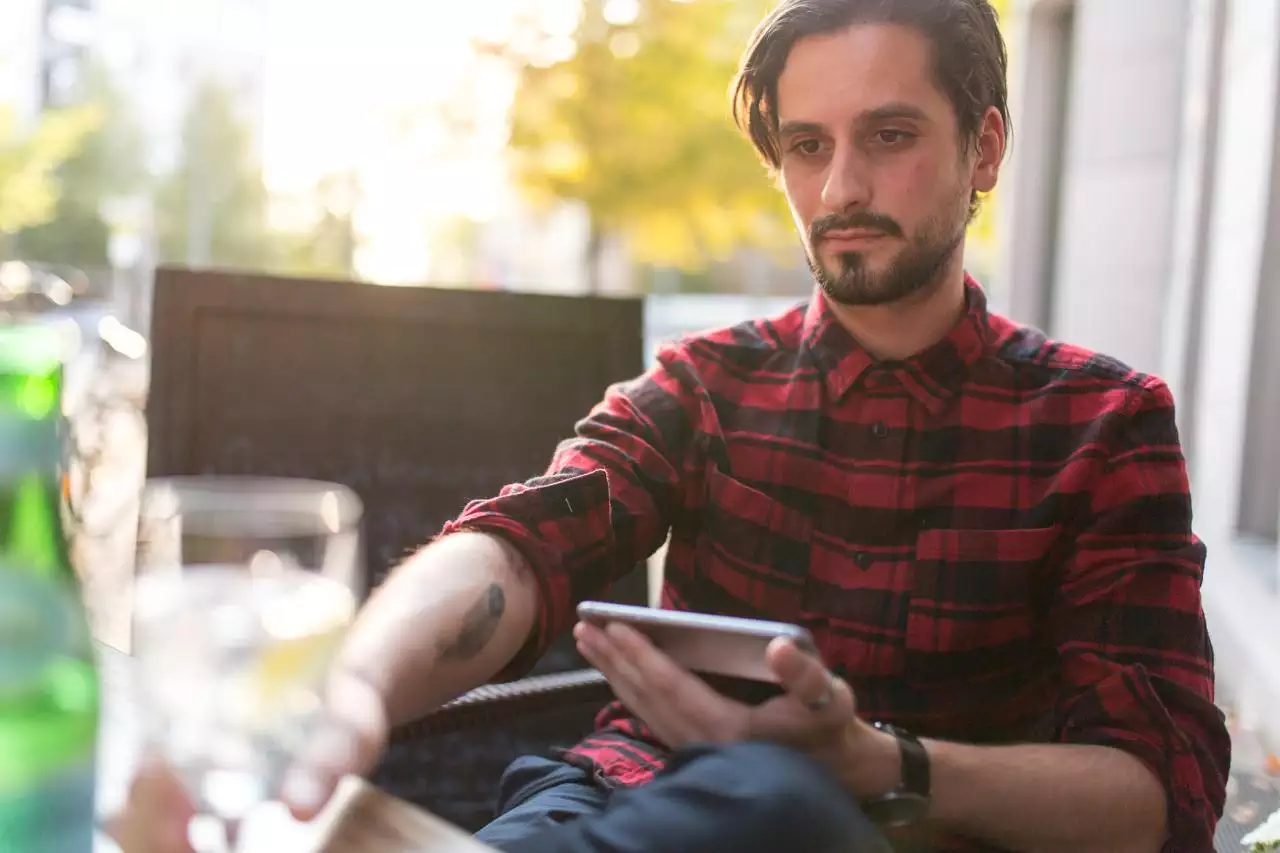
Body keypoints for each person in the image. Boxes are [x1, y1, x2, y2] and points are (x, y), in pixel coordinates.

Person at [113, 0, 1231, 851]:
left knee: (781, 799)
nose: (838, 185)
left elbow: (1156, 798)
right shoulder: (704, 386)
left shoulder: (1102, 424)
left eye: (888, 135)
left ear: (982, 150)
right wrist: (352, 687)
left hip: (857, 829)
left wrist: (868, 761)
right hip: (610, 809)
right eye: (805, 145)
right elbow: (517, 544)